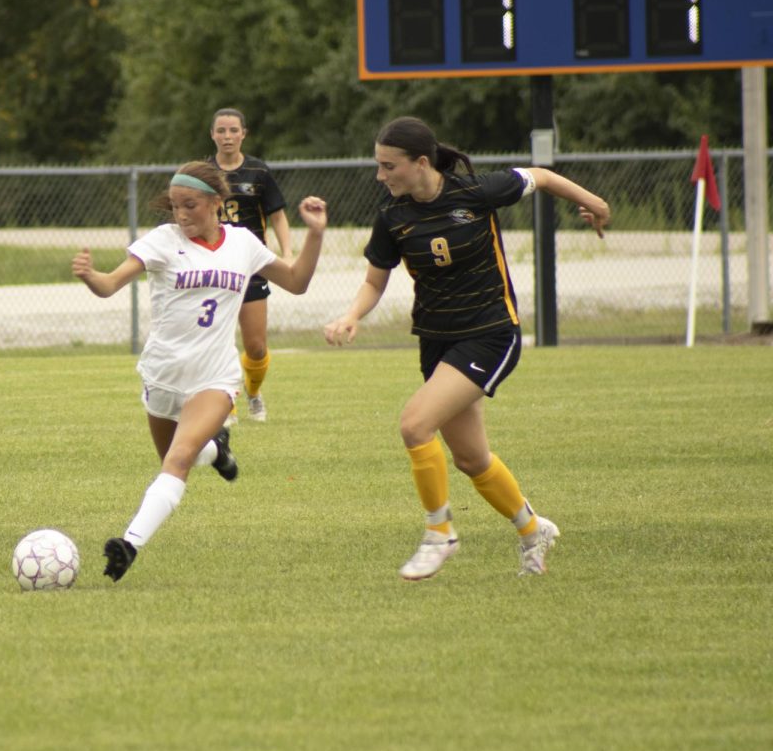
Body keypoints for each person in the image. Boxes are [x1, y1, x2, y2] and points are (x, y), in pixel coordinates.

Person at [324, 116, 610, 580]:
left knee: (415, 425)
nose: (380, 176)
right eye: (378, 166)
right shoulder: (392, 218)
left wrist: (593, 201)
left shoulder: (476, 192)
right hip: (437, 341)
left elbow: (541, 175)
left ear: (421, 163)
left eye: (388, 166)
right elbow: (374, 281)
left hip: (491, 332)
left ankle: (440, 534)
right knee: (471, 459)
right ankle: (533, 529)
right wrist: (351, 315)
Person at [73, 161, 327, 582]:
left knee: (178, 458)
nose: (181, 214)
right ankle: (218, 451)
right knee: (180, 458)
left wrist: (315, 235)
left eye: (189, 205)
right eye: (174, 206)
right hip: (162, 376)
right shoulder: (163, 241)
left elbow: (297, 281)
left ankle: (129, 544)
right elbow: (109, 285)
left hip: (215, 377)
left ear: (216, 202)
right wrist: (90, 276)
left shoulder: (243, 243)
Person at [207, 108, 292, 424]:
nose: (227, 136)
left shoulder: (259, 171)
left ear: (244, 133)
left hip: (251, 267)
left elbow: (278, 217)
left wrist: (288, 254)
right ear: (212, 135)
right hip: (214, 265)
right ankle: (225, 403)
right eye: (221, 130)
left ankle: (253, 393)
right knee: (218, 341)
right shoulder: (204, 173)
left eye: (233, 130)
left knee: (255, 347)